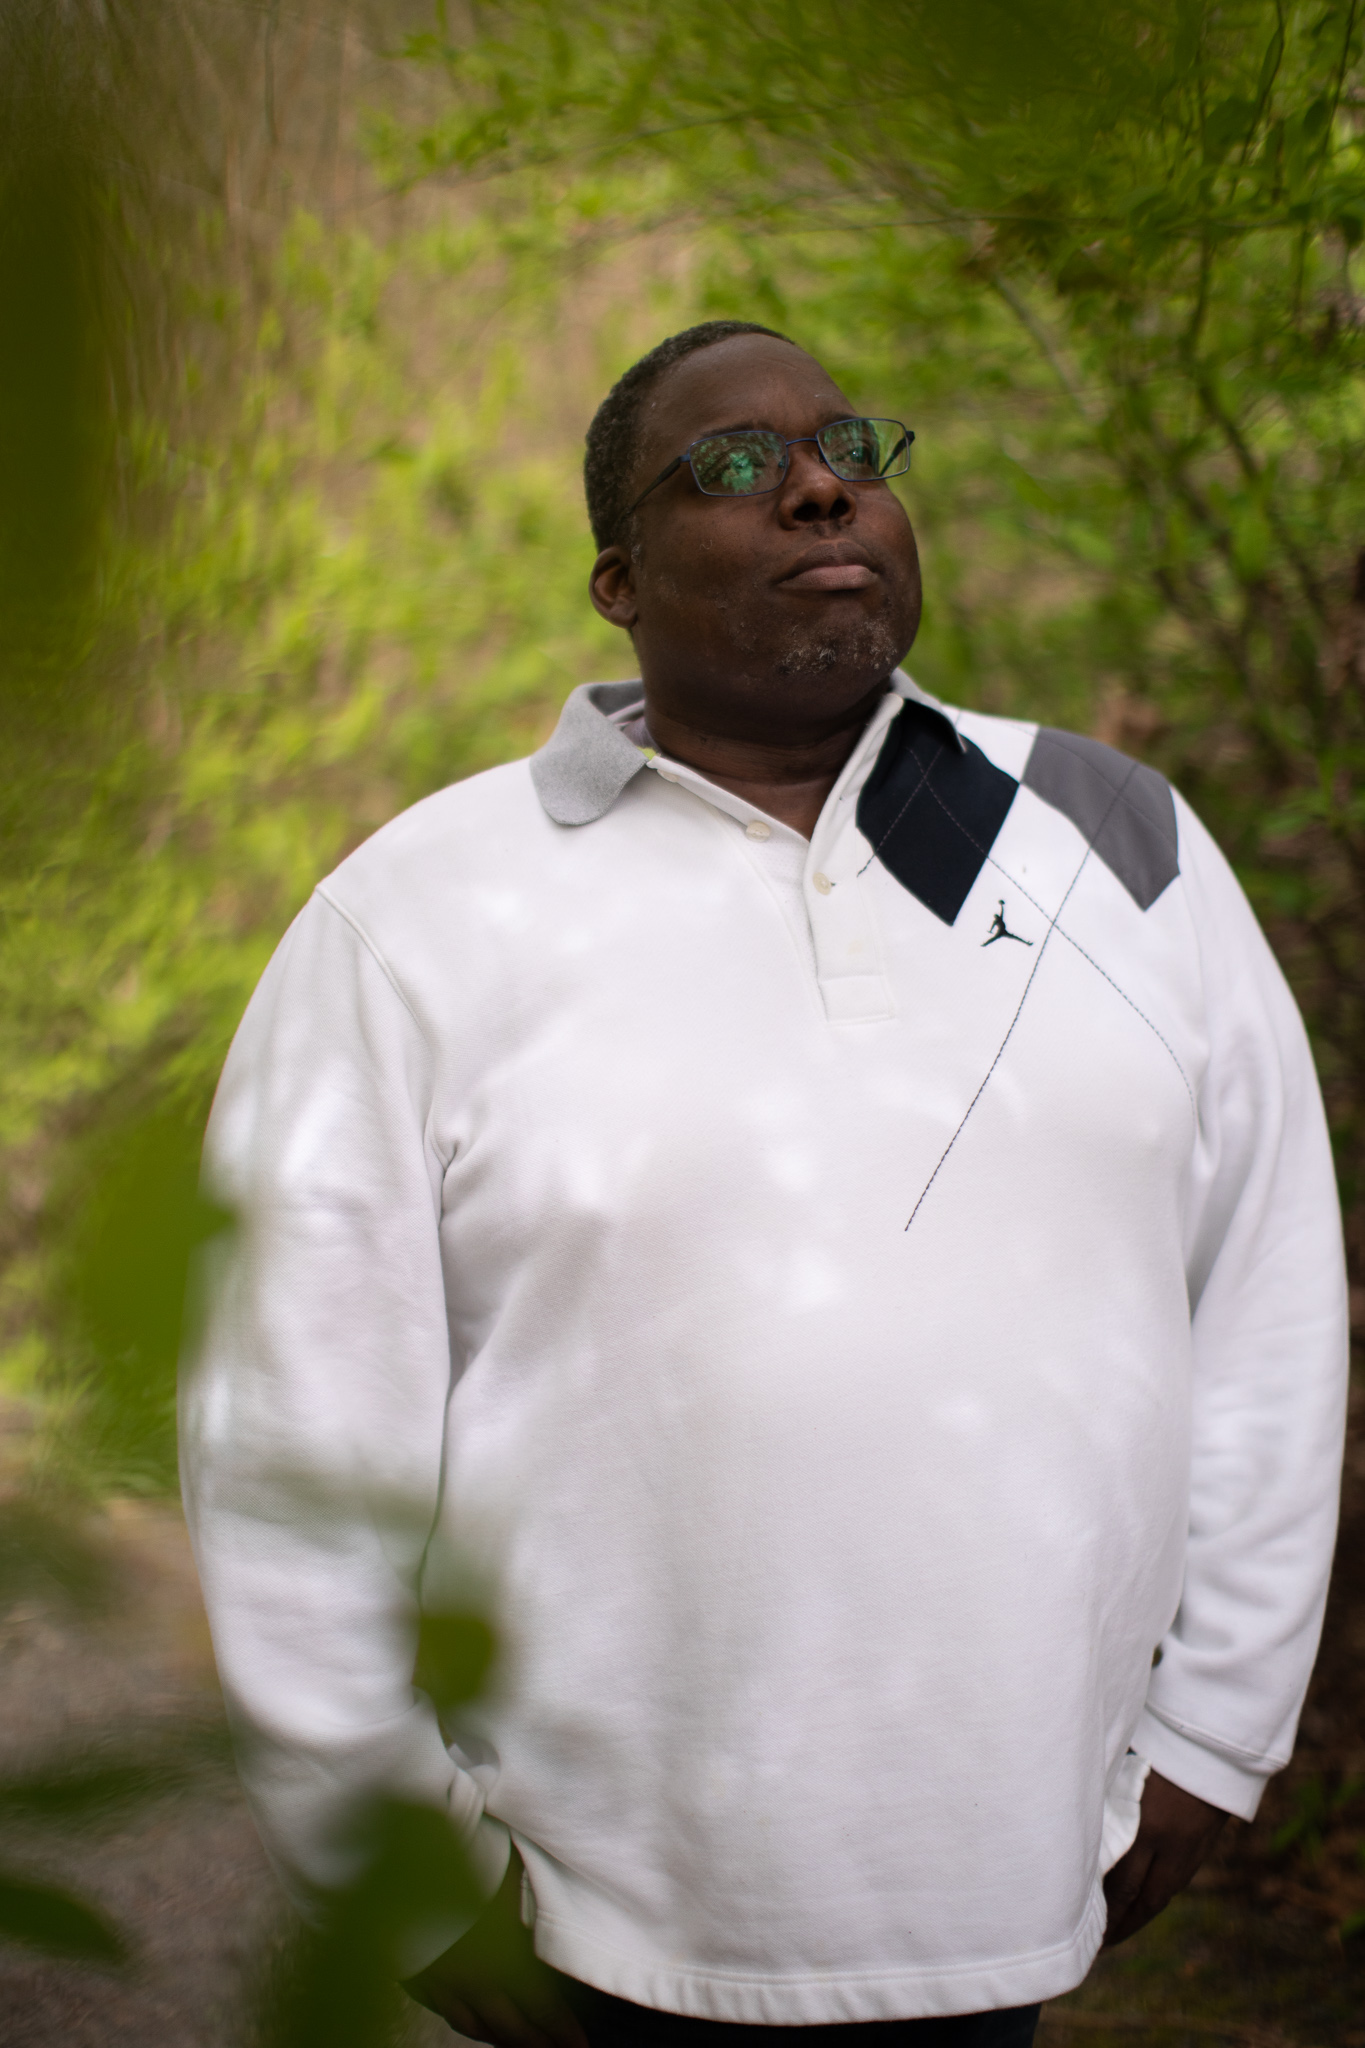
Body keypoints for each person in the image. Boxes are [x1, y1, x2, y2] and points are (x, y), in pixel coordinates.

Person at [180, 321, 1349, 2047]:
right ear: (616, 581)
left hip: (1020, 1880)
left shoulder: (1112, 835)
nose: (816, 485)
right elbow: (290, 1430)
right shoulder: (420, 912)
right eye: (730, 467)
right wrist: (393, 1872)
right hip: (601, 1916)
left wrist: (1222, 1729)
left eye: (850, 450)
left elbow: (1262, 1301)